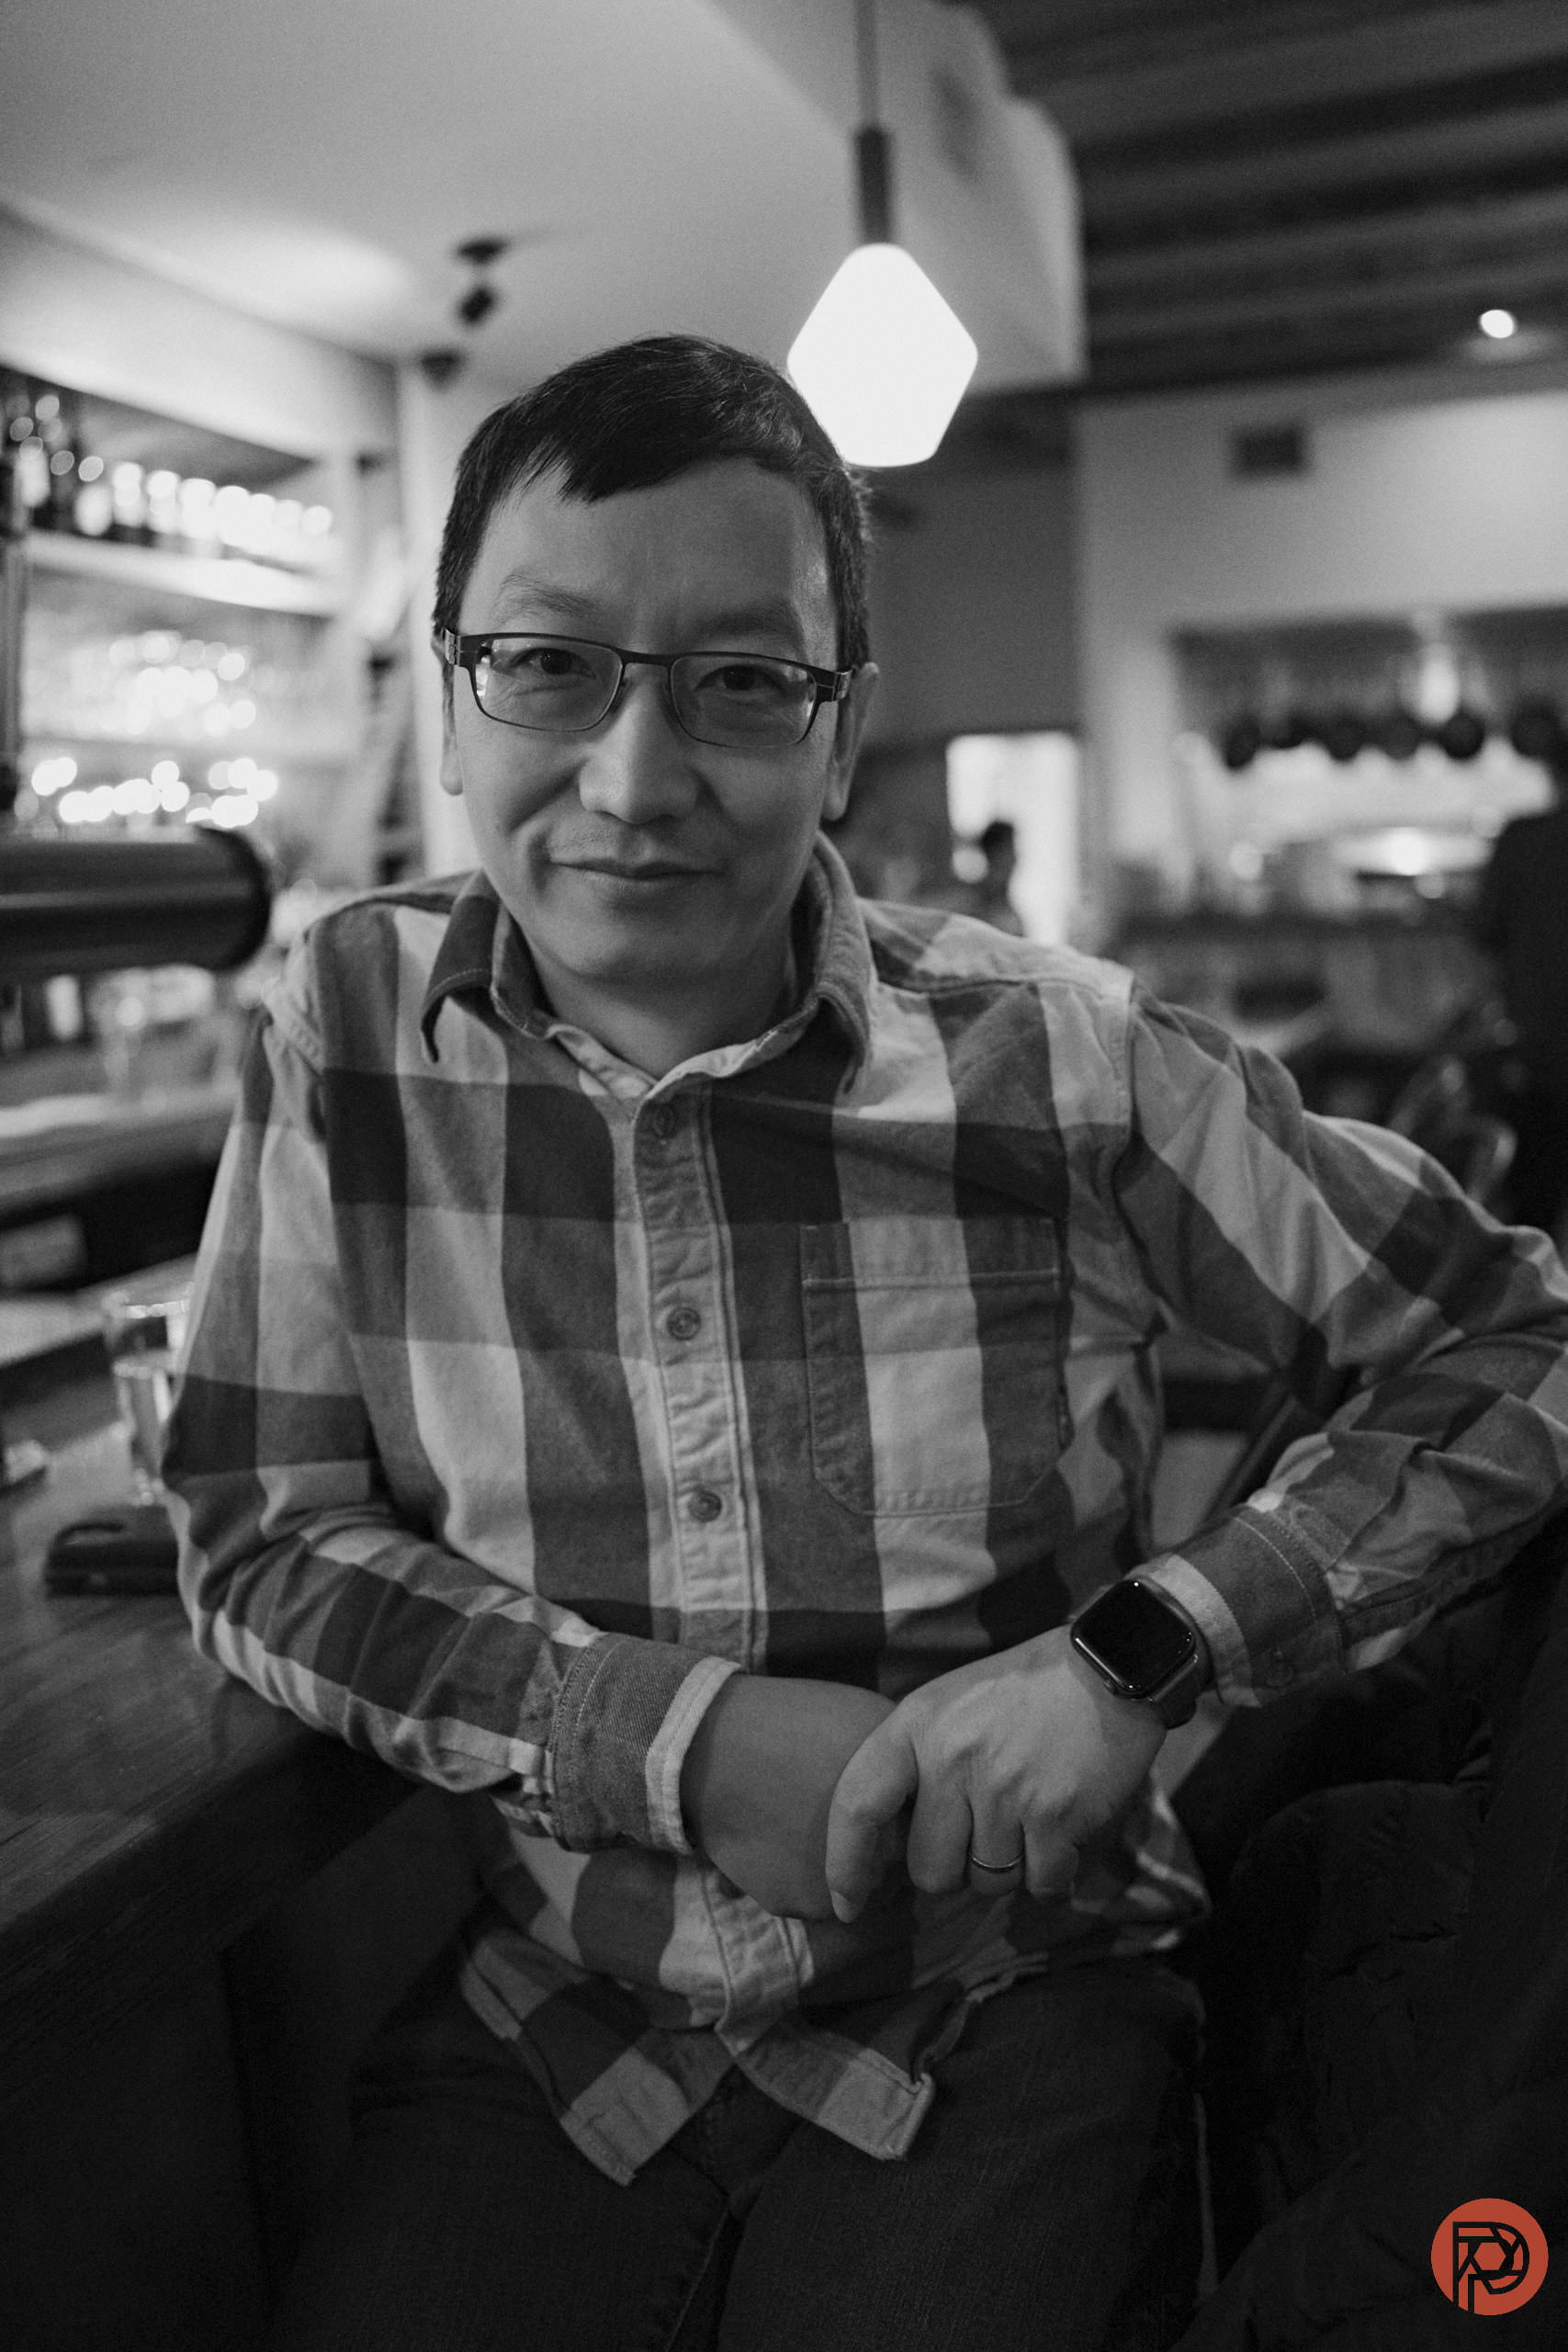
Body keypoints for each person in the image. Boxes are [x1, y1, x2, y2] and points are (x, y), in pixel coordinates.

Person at [163, 335, 1568, 2352]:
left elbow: (1510, 1337)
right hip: (551, 2025)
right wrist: (666, 1737)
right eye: (550, 665)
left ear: (843, 729)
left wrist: (1145, 1648)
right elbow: (252, 1523)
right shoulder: (347, 1027)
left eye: (740, 681)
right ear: (454, 693)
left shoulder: (1060, 1058)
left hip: (1014, 2001)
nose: (636, 781)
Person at [1473, 748, 1568, 1242]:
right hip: (1543, 1031)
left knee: (1539, 1195)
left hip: (1542, 1035)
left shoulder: (1523, 838)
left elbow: (1485, 929)